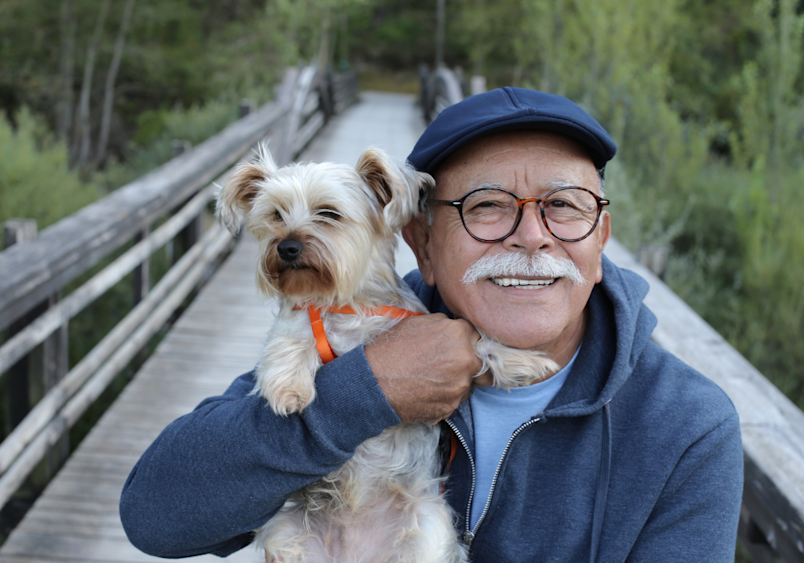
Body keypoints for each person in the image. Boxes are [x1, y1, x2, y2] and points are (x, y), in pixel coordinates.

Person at [120, 87, 743, 562]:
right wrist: (364, 392)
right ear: (420, 241)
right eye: (488, 207)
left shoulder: (687, 425)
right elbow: (155, 515)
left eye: (563, 206)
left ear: (601, 236)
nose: (532, 236)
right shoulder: (344, 334)